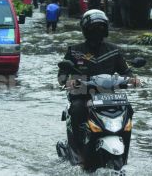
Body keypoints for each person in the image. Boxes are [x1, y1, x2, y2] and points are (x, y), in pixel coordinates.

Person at [57, 9, 138, 152]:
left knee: (128, 109)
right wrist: (67, 82)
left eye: (101, 28)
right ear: (86, 30)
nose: (97, 31)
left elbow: (126, 71)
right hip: (82, 95)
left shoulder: (114, 50)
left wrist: (134, 79)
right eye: (94, 28)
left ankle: (125, 150)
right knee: (76, 110)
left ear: (105, 30)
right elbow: (62, 74)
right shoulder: (75, 51)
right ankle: (78, 151)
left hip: (109, 96)